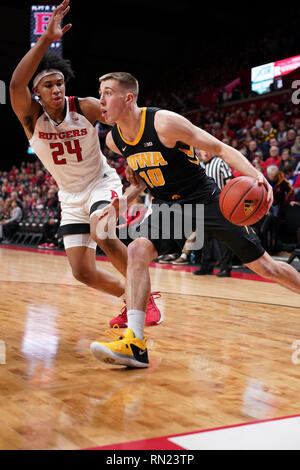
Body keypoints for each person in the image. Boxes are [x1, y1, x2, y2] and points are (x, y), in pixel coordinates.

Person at [90, 71, 300, 368]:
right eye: (100, 93)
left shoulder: (164, 123)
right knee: (138, 250)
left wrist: (257, 177)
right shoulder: (113, 140)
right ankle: (135, 342)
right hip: (169, 207)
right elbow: (143, 179)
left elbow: (219, 148)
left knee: (264, 266)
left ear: (128, 98)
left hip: (206, 200)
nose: (101, 99)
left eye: (107, 92)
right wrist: (123, 201)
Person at [9, 0, 161, 327]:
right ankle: (130, 295)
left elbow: (126, 125)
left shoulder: (87, 106)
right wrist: (46, 40)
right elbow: (14, 85)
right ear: (36, 92)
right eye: (48, 85)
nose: (56, 89)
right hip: (69, 196)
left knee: (102, 230)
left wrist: (134, 157)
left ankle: (144, 300)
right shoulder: (30, 117)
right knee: (82, 271)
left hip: (100, 183)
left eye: (60, 83)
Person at [193, 150, 233, 277]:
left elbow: (229, 182)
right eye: (202, 150)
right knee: (205, 238)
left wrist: (228, 201)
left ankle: (226, 268)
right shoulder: (200, 165)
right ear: (199, 152)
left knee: (222, 238)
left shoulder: (220, 162)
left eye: (207, 150)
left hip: (220, 204)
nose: (205, 152)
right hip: (203, 205)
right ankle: (207, 266)